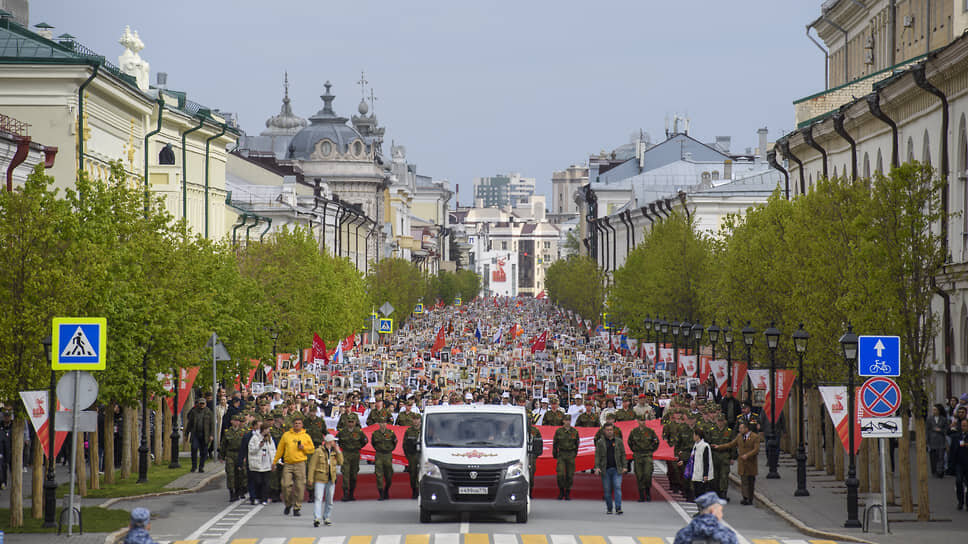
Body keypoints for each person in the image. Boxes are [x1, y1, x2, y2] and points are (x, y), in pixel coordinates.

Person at [272, 414, 315, 517]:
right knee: (285, 485)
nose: (297, 425)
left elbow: (312, 449)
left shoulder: (306, 436)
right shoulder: (286, 435)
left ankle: (297, 507)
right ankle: (288, 504)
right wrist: (274, 461)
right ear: (292, 424)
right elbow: (280, 449)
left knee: (300, 487)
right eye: (295, 423)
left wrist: (303, 448)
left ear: (302, 425)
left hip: (300, 464)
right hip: (288, 464)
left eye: (299, 423)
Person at [715, 421, 760, 505]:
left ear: (746, 428)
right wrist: (719, 447)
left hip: (751, 462)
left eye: (741, 428)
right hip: (742, 462)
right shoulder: (739, 437)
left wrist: (747, 455)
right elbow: (731, 444)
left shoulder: (755, 437)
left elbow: (756, 449)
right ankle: (745, 497)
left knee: (750, 481)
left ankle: (750, 498)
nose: (739, 430)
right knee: (744, 480)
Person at [672, 492, 738, 544]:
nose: (721, 514)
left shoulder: (685, 533)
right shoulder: (726, 534)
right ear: (713, 511)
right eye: (720, 510)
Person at [307, 434, 343, 527]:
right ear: (329, 442)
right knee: (318, 498)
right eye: (334, 441)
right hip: (320, 478)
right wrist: (310, 478)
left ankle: (327, 517)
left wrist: (338, 451)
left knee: (329, 499)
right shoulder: (318, 451)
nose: (335, 443)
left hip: (331, 478)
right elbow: (312, 465)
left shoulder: (334, 452)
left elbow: (341, 462)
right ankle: (317, 518)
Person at [594, 422, 626, 515]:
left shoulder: (618, 441)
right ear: (604, 431)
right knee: (607, 490)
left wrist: (624, 466)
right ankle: (609, 507)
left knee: (617, 487)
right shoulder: (600, 442)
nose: (609, 432)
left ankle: (618, 507)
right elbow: (597, 456)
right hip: (605, 469)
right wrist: (597, 467)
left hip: (617, 468)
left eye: (611, 430)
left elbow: (623, 454)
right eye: (607, 430)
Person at [627, 415, 659, 502]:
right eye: (641, 420)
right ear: (637, 421)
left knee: (648, 474)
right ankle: (641, 495)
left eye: (643, 420)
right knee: (639, 475)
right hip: (638, 455)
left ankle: (648, 492)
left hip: (647, 455)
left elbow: (656, 441)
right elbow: (629, 442)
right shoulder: (634, 432)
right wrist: (634, 450)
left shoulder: (650, 431)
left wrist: (651, 449)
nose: (642, 422)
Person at [337, 413, 368, 501]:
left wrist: (358, 447)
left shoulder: (359, 432)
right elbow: (337, 441)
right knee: (345, 474)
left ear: (355, 422)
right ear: (346, 422)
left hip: (355, 454)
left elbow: (365, 441)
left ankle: (351, 493)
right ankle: (345, 494)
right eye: (349, 421)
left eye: (352, 422)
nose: (350, 423)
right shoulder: (342, 432)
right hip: (346, 454)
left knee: (353, 475)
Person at [247, 421, 276, 505]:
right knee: (258, 481)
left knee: (266, 482)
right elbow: (251, 450)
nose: (268, 431)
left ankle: (264, 498)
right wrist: (259, 446)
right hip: (257, 463)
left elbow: (273, 450)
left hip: (267, 463)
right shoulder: (255, 438)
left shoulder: (270, 439)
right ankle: (257, 496)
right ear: (263, 429)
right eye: (267, 429)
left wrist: (275, 461)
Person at [219, 414, 247, 501]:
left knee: (240, 474)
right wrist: (222, 456)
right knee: (231, 474)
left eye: (238, 421)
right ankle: (232, 492)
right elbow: (223, 445)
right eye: (235, 420)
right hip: (230, 454)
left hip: (240, 454)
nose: (236, 422)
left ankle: (239, 491)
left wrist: (245, 456)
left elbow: (246, 445)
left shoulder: (244, 432)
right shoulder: (227, 432)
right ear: (231, 421)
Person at [552, 415, 579, 500]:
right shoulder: (559, 431)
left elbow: (577, 444)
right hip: (562, 454)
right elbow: (555, 443)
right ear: (563, 421)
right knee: (560, 474)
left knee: (570, 474)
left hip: (570, 454)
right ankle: (561, 491)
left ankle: (567, 492)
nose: (567, 422)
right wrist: (555, 454)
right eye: (566, 420)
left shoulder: (574, 431)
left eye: (569, 420)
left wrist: (574, 454)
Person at [371, 418, 398, 500]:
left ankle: (386, 489)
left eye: (384, 423)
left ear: (386, 424)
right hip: (379, 455)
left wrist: (390, 449)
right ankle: (381, 493)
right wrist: (378, 449)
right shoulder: (375, 434)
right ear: (378, 424)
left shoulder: (390, 433)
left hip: (388, 455)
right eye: (381, 423)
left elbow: (395, 441)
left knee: (389, 474)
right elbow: (373, 443)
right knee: (379, 474)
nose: (383, 424)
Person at [186, 398, 213, 473]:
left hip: (205, 434)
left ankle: (201, 466)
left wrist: (211, 435)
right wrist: (187, 433)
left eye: (203, 404)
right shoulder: (194, 412)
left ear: (205, 404)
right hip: (195, 434)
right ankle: (194, 466)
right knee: (194, 448)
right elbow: (190, 423)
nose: (201, 405)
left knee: (204, 451)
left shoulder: (209, 412)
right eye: (200, 403)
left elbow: (212, 425)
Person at [688, 427, 713, 497]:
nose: (693, 437)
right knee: (696, 493)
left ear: (697, 436)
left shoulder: (705, 446)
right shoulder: (696, 445)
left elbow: (706, 461)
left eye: (694, 435)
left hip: (701, 474)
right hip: (696, 473)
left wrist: (705, 475)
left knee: (701, 493)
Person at [402, 417, 422, 499]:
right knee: (413, 473)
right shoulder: (409, 431)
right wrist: (408, 456)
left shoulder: (424, 429)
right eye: (414, 419)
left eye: (417, 419)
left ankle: (422, 491)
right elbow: (404, 445)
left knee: (422, 473)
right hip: (412, 455)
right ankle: (414, 491)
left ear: (420, 420)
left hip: (422, 454)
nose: (416, 421)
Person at [928, 404, 948, 478]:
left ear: (939, 411)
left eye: (935, 410)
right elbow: (927, 430)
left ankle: (940, 471)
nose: (934, 411)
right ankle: (934, 471)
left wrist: (941, 430)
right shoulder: (929, 419)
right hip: (932, 440)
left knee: (941, 456)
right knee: (933, 457)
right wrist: (927, 441)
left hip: (941, 440)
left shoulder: (943, 419)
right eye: (933, 410)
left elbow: (946, 429)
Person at [953, 418, 968, 510]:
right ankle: (960, 502)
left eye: (965, 426)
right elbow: (953, 450)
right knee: (958, 481)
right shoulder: (957, 436)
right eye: (962, 426)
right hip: (959, 463)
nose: (963, 428)